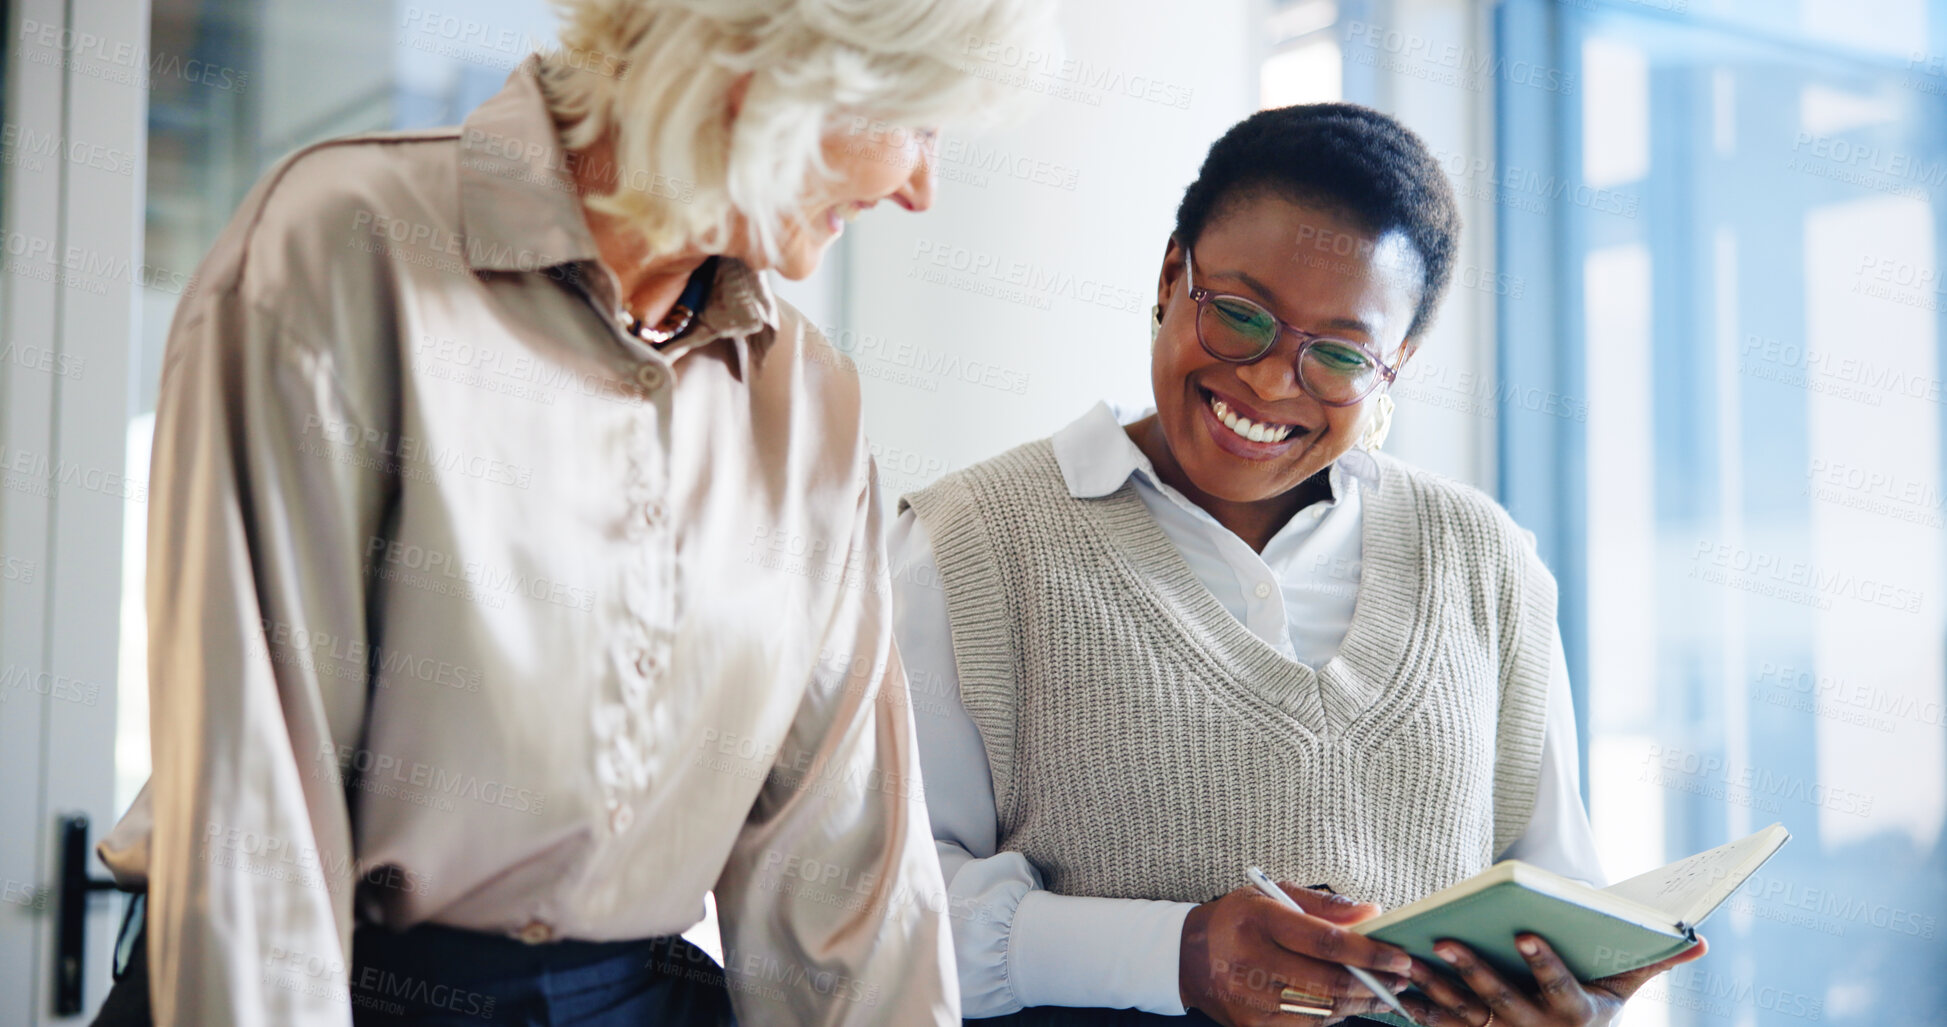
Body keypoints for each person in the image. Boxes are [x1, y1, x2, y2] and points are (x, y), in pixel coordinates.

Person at [90, 0, 1054, 1024]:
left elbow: (850, 894)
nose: (920, 188)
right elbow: (257, 832)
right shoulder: (344, 249)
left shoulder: (810, 400)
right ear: (776, 62)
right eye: (917, 124)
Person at [891, 104, 1705, 1026]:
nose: (1270, 382)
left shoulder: (1485, 561)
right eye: (1238, 314)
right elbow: (879, 913)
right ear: (1171, 275)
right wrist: (1177, 954)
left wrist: (1563, 1006)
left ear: (1394, 364)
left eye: (1338, 356)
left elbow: (1555, 896)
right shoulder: (968, 541)